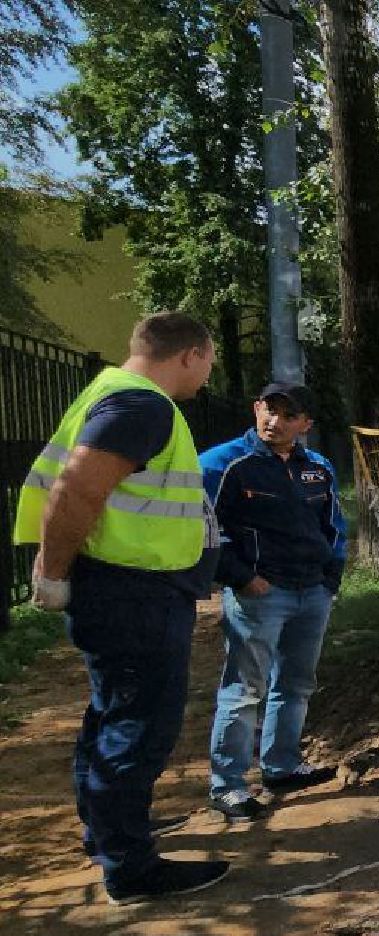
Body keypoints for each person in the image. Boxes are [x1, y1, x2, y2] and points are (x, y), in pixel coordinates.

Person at [13, 312, 227, 904]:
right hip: (134, 593)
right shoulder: (142, 405)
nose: (208, 374)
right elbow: (79, 488)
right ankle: (130, 867)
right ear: (191, 353)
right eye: (209, 361)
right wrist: (52, 572)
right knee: (138, 726)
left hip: (129, 588)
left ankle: (107, 833)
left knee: (113, 713)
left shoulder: (109, 393)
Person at [199, 383, 348, 822]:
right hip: (260, 596)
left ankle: (281, 766)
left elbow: (334, 526)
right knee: (244, 689)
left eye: (287, 415)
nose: (274, 422)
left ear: (305, 425)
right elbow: (202, 527)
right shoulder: (224, 465)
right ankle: (228, 785)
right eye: (269, 410)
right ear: (256, 409)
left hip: (312, 592)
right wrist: (241, 577)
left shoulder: (317, 468)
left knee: (297, 683)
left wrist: (330, 578)